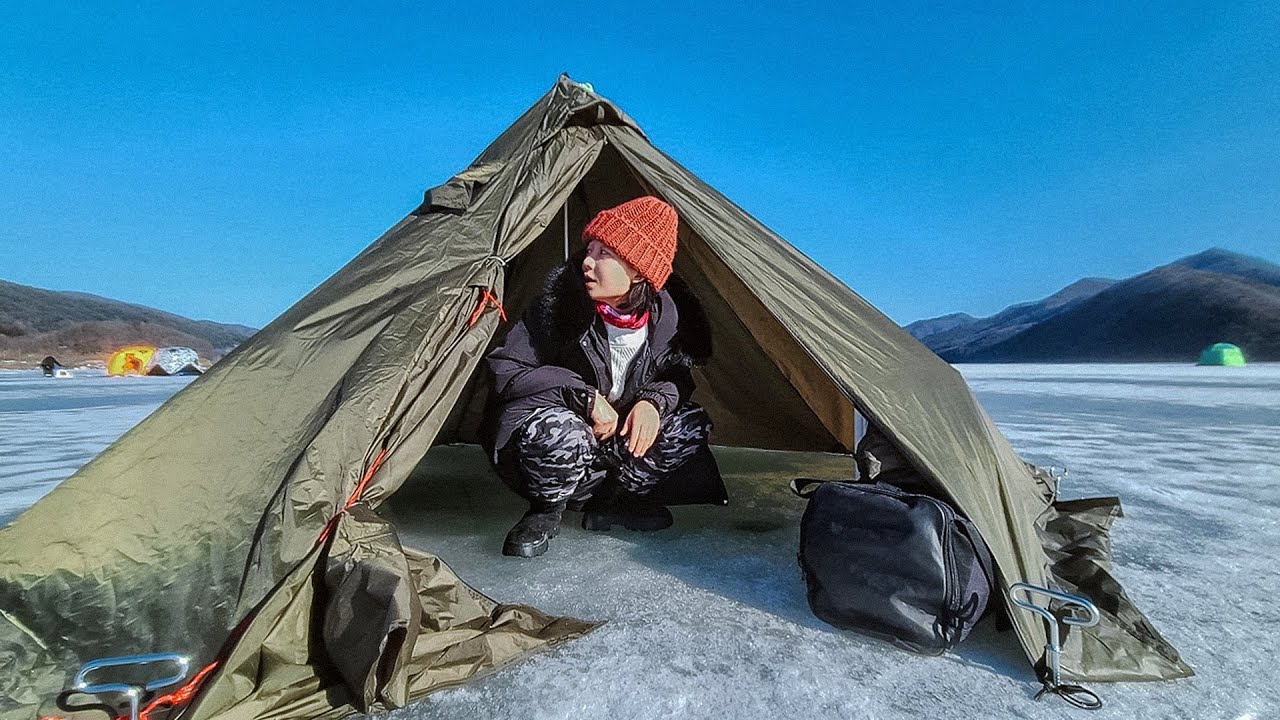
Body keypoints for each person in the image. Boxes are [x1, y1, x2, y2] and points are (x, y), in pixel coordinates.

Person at [483, 196, 721, 558]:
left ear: (640, 271)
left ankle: (616, 500)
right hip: (563, 446)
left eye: (605, 253)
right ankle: (546, 510)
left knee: (688, 423)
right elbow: (505, 370)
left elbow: (678, 376)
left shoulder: (668, 319)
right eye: (589, 249)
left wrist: (653, 402)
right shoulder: (560, 309)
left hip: (613, 454)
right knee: (559, 430)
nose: (588, 262)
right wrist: (583, 396)